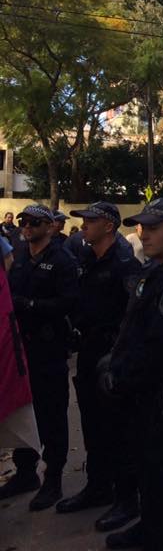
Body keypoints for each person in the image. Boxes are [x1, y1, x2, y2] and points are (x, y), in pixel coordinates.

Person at [100, 198, 163, 551]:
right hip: (143, 399)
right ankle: (150, 531)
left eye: (153, 227)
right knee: (150, 481)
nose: (143, 233)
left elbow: (162, 347)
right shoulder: (155, 270)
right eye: (141, 226)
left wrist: (121, 375)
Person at [56, 203, 142, 533]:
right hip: (89, 353)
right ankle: (98, 485)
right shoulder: (87, 258)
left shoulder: (124, 263)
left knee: (117, 430)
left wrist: (118, 360)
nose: (83, 227)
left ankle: (126, 498)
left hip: (113, 358)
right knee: (92, 425)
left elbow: (132, 316)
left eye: (90, 222)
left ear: (108, 226)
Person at [0, 205, 79, 510]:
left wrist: (30, 305)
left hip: (50, 350)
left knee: (52, 415)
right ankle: (25, 472)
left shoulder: (62, 260)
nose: (27, 227)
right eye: (24, 222)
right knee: (25, 412)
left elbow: (69, 302)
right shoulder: (19, 256)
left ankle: (53, 479)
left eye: (34, 222)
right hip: (22, 351)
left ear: (51, 226)